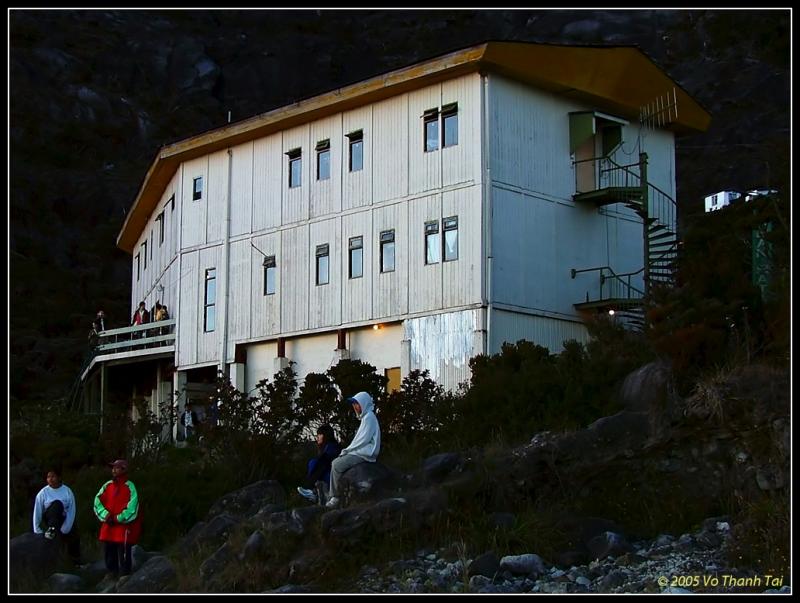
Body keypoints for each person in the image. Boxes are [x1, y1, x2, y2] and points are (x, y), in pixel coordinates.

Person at [325, 392, 381, 509]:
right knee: (338, 462)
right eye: (354, 404)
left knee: (336, 464)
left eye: (357, 403)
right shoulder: (367, 417)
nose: (355, 407)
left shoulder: (369, 417)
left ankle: (334, 496)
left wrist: (348, 450)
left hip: (365, 452)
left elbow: (362, 440)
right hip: (362, 451)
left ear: (364, 403)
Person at [93, 459, 142, 578]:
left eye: (117, 467)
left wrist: (119, 518)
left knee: (123, 552)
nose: (114, 470)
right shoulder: (108, 485)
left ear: (124, 469)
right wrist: (106, 515)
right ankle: (112, 573)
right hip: (109, 525)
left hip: (123, 527)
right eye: (113, 468)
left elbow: (133, 506)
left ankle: (124, 575)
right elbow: (97, 501)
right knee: (109, 551)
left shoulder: (130, 486)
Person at [32, 467, 81, 565]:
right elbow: (37, 511)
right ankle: (51, 531)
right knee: (56, 504)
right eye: (48, 477)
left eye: (53, 476)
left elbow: (72, 511)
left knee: (74, 534)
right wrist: (37, 529)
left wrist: (65, 528)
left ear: (59, 477)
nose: (50, 479)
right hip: (50, 517)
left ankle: (75, 562)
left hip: (64, 519)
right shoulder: (43, 493)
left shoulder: (67, 491)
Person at [297, 424, 342, 504]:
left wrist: (310, 481)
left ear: (326, 435)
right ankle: (312, 490)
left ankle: (311, 490)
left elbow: (325, 462)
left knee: (314, 463)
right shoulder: (325, 447)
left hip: (333, 477)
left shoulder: (332, 446)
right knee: (313, 462)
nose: (317, 437)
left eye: (320, 434)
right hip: (327, 473)